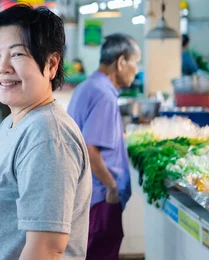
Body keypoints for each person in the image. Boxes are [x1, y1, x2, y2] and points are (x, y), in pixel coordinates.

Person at [0, 4, 92, 260]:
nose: (3, 67)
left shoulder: (47, 136)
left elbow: (45, 249)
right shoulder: (15, 122)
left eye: (18, 55)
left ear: (51, 64)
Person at [67, 34, 142, 260]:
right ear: (121, 62)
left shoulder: (87, 86)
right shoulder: (104, 95)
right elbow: (90, 149)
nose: (136, 70)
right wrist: (111, 188)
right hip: (100, 197)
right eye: (135, 62)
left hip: (87, 195)